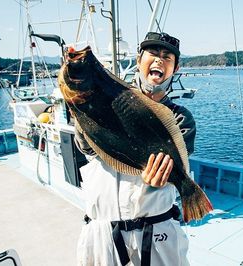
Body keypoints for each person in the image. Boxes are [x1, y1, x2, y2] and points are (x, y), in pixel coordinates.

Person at [74, 32, 195, 265]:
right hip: (101, 230)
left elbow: (175, 165)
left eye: (167, 57)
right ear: (139, 60)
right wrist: (80, 109)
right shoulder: (109, 99)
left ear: (175, 68)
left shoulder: (180, 118)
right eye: (153, 53)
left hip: (156, 229)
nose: (159, 60)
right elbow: (86, 149)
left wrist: (166, 177)